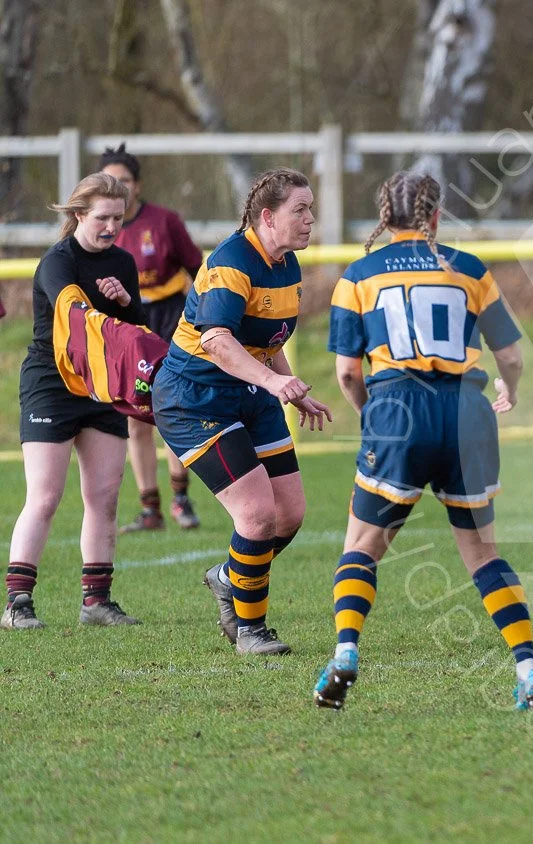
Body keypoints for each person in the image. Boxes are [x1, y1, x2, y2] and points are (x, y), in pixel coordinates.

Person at [313, 170, 533, 710]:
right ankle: (529, 668)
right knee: (482, 553)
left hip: (397, 409)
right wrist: (508, 392)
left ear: (383, 216)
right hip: (467, 411)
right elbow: (510, 356)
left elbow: (348, 372)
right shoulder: (469, 269)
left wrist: (372, 414)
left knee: (363, 546)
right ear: (436, 216)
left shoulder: (359, 275)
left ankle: (346, 652)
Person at [151, 168, 332, 655]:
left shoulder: (287, 263)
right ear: (268, 217)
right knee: (256, 515)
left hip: (251, 394)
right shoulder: (231, 262)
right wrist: (274, 382)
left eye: (311, 208)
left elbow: (267, 339)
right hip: (195, 398)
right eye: (301, 209)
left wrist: (290, 388)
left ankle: (228, 575)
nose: (311, 219)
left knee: (289, 514)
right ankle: (251, 631)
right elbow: (216, 340)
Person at [4, 173, 143, 630]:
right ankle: (17, 604)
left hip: (101, 388)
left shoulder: (123, 262)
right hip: (52, 385)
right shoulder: (56, 263)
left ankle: (96, 603)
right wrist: (97, 309)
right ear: (79, 215)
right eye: (102, 218)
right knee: (44, 497)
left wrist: (126, 302)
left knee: (104, 497)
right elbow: (71, 314)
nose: (111, 227)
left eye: (118, 219)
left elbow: (135, 328)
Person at [98, 145, 206, 533]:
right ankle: (150, 508)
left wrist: (205, 321)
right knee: (135, 419)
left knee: (170, 411)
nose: (119, 189)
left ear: (138, 185)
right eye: (111, 183)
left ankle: (181, 498)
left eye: (124, 181)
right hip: (124, 332)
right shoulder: (98, 230)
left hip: (169, 323)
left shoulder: (165, 222)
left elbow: (201, 271)